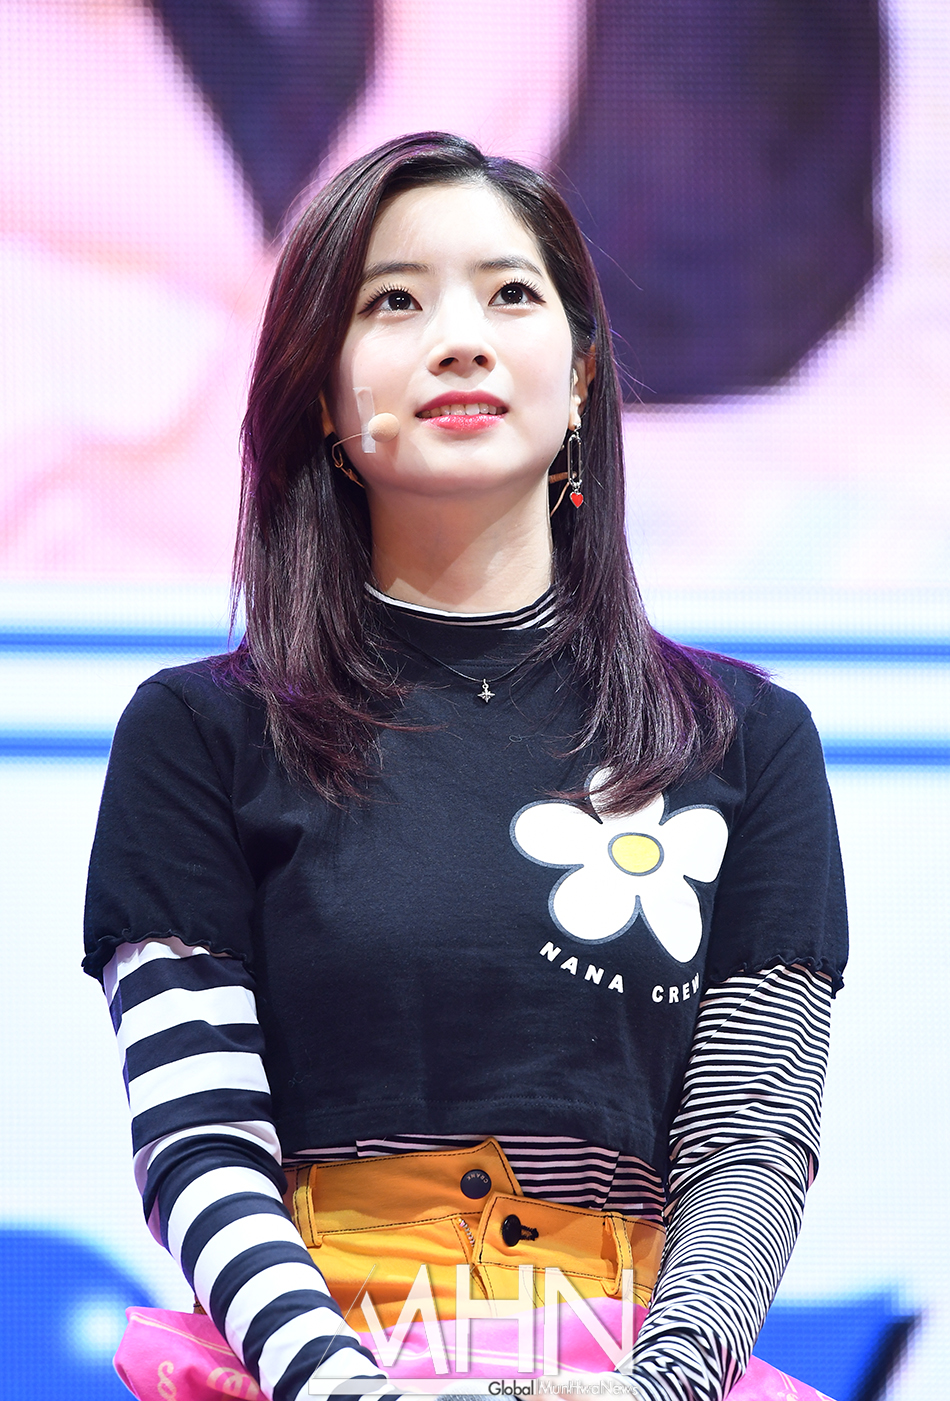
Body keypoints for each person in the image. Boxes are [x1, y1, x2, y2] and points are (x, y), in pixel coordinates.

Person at [83, 132, 847, 1401]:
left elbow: (749, 1143)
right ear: (321, 397)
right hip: (307, 1369)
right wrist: (344, 1389)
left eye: (509, 294)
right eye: (393, 301)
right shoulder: (199, 734)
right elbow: (199, 1141)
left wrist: (656, 1387)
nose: (459, 339)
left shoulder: (740, 739)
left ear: (580, 373)